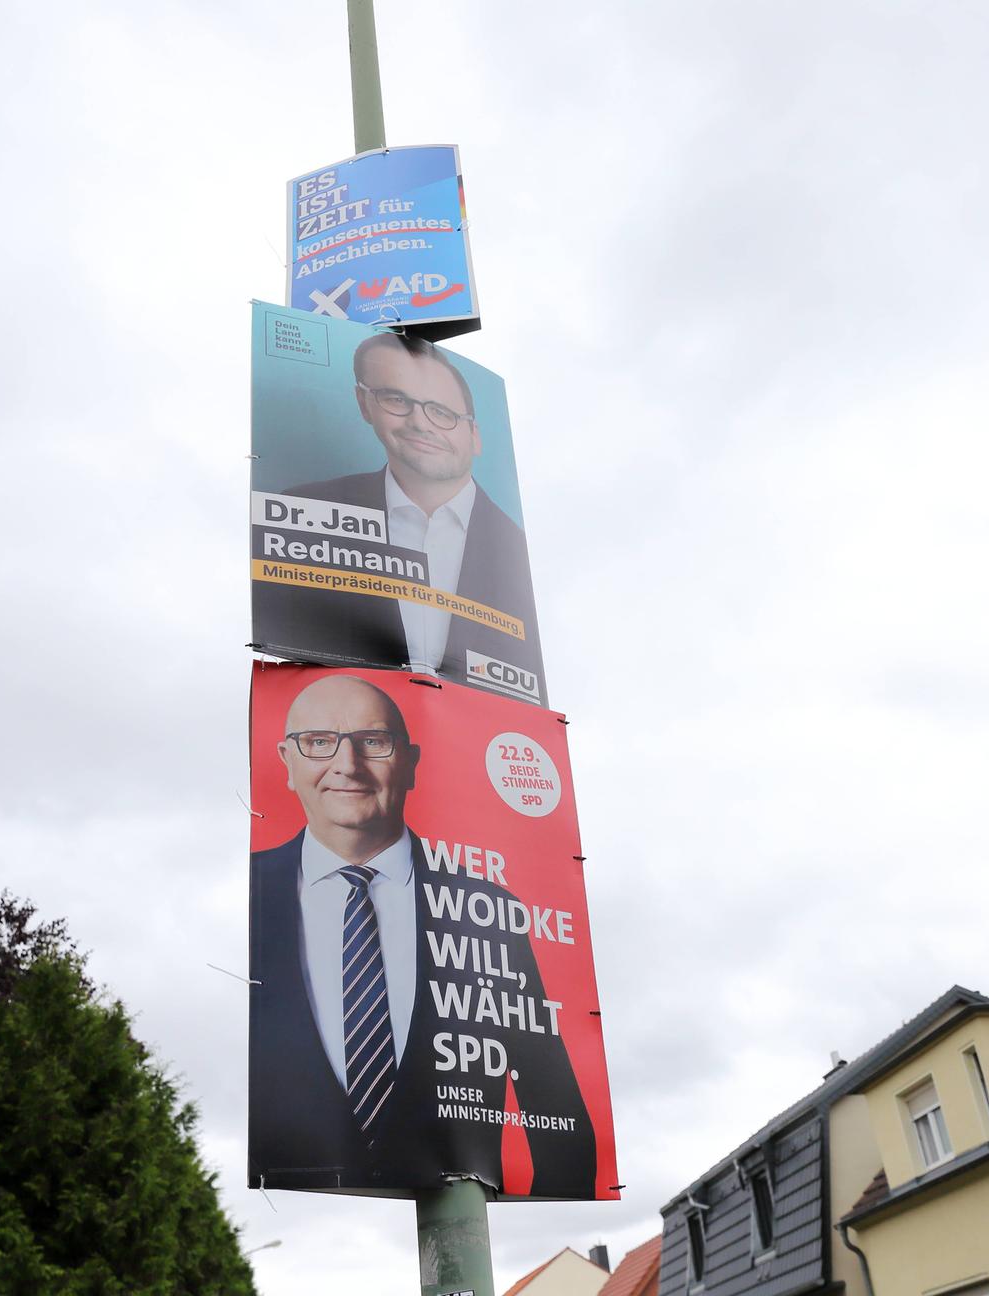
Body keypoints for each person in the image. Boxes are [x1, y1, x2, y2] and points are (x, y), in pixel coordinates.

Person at [248, 674, 595, 1197]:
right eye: (319, 742)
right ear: (287, 760)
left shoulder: (488, 910)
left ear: (408, 762)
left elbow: (562, 1130)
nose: (347, 765)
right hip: (313, 1237)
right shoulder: (253, 889)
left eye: (373, 742)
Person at [252, 333, 546, 702]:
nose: (421, 423)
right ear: (365, 403)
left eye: (443, 413)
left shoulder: (512, 549)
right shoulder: (299, 512)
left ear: (474, 435)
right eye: (397, 400)